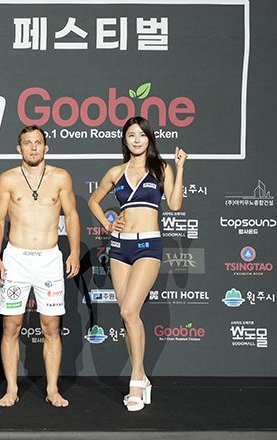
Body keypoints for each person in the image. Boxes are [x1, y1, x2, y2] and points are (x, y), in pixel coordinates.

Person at [88, 116, 187, 412]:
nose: (136, 140)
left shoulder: (161, 168)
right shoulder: (116, 172)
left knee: (130, 310)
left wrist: (180, 167)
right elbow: (94, 201)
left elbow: (175, 205)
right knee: (127, 316)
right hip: (120, 247)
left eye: (141, 135)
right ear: (125, 140)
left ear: (149, 139)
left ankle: (135, 383)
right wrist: (108, 223)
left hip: (148, 245)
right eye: (131, 135)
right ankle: (142, 377)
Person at [0, 125, 80, 408]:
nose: (33, 147)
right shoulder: (8, 179)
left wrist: (75, 252)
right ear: (19, 148)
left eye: (38, 142)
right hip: (16, 258)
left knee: (51, 327)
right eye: (27, 143)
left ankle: (52, 389)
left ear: (46, 147)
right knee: (11, 326)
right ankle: (11, 389)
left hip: (49, 259)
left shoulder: (61, 177)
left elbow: (72, 215)